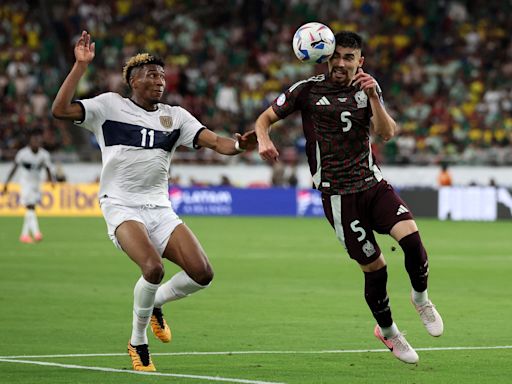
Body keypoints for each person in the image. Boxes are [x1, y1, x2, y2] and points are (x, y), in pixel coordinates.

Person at [51, 31, 257, 372]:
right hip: (120, 204)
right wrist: (79, 66)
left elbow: (216, 142)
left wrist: (239, 146)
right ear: (133, 80)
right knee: (153, 268)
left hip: (159, 207)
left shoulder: (176, 117)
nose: (159, 80)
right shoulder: (108, 106)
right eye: (151, 74)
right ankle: (138, 341)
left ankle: (157, 303)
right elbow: (60, 109)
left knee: (203, 273)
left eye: (162, 75)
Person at [255, 31, 443, 364]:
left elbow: (386, 134)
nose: (341, 63)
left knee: (412, 240)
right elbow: (265, 119)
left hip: (372, 184)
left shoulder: (369, 87)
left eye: (349, 57)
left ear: (360, 61)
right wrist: (263, 139)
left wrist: (373, 97)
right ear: (326, 57)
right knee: (376, 270)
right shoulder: (307, 90)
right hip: (339, 196)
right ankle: (388, 333)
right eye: (336, 56)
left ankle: (421, 298)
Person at [2, 130, 54, 243]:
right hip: (26, 183)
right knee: (30, 206)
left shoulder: (44, 154)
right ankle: (36, 233)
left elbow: (48, 168)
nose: (36, 143)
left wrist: (51, 180)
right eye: (34, 141)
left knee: (31, 209)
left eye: (38, 141)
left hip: (37, 183)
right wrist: (7, 183)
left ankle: (24, 235)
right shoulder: (23, 153)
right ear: (30, 142)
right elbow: (14, 168)